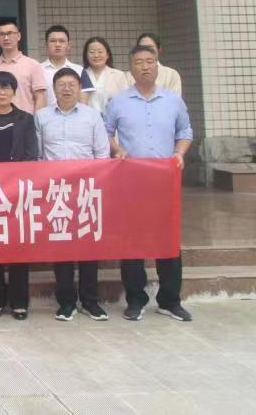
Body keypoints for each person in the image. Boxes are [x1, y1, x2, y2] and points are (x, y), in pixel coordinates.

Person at [107, 44, 194, 323]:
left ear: (158, 65)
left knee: (167, 241)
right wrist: (117, 150)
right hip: (131, 181)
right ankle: (135, 299)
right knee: (132, 242)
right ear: (130, 68)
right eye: (139, 62)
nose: (145, 66)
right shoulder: (118, 101)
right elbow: (105, 132)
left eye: (150, 61)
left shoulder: (173, 100)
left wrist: (179, 153)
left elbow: (185, 131)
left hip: (163, 181)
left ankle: (170, 301)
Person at [36, 67, 111, 322]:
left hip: (86, 189)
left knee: (88, 247)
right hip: (56, 191)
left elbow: (102, 154)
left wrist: (97, 184)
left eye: (72, 84)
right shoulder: (42, 117)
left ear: (80, 89)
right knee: (62, 248)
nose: (66, 89)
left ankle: (90, 301)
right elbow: (38, 156)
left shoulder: (93, 116)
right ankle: (66, 302)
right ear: (54, 89)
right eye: (61, 84)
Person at [0, 71, 41, 320]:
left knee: (18, 247)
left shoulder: (25, 119)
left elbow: (31, 154)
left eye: (6, 88)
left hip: (17, 192)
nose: (1, 92)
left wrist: (15, 181)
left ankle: (19, 302)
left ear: (14, 92)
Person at [0, 20, 47, 114]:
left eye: (10, 33)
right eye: (1, 34)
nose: (6, 38)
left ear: (19, 36)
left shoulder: (33, 65)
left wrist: (37, 121)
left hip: (25, 121)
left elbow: (40, 97)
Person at [79, 37, 130, 114]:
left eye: (100, 52)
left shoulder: (119, 75)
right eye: (92, 52)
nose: (96, 55)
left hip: (113, 119)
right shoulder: (80, 75)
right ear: (86, 55)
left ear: (107, 55)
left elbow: (126, 101)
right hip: (87, 119)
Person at [40, 25, 83, 98]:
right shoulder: (37, 70)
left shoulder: (80, 70)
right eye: (53, 41)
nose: (57, 44)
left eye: (62, 41)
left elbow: (83, 100)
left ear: (68, 45)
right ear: (46, 45)